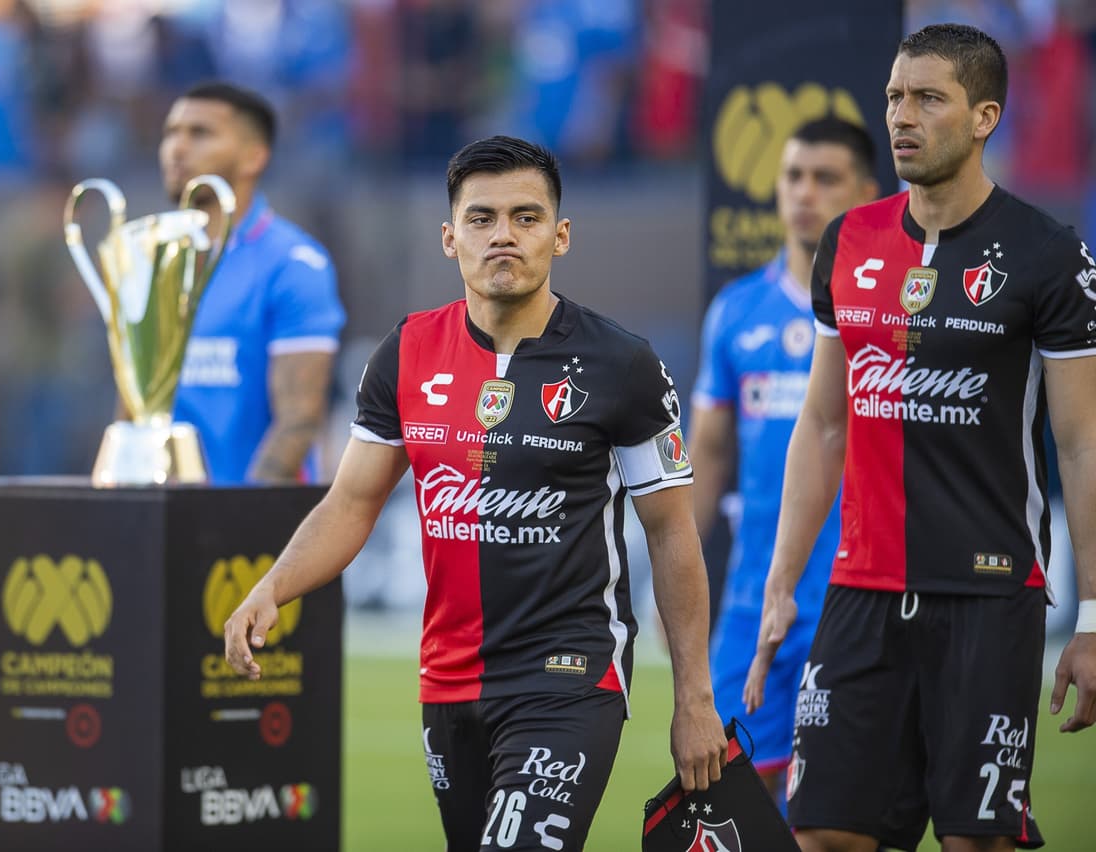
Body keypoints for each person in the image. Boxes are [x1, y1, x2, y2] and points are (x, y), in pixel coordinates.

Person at [224, 135, 728, 850]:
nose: (503, 236)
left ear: (560, 236)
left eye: (526, 218)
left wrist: (693, 699)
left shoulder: (623, 364)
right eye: (482, 217)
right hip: (448, 679)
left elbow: (673, 531)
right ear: (449, 236)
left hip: (569, 677)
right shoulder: (404, 354)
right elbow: (351, 503)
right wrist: (273, 586)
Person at [744, 23, 1096, 852]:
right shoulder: (849, 241)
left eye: (928, 99)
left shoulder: (1048, 255)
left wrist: (1094, 619)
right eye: (897, 96)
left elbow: (1082, 446)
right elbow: (825, 423)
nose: (903, 115)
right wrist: (781, 581)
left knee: (978, 841)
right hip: (860, 593)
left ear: (984, 117)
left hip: (987, 596)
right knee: (823, 832)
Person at [689, 118, 879, 802]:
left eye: (825, 178)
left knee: (840, 818)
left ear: (863, 192)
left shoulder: (889, 308)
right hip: (751, 605)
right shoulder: (736, 311)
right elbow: (707, 454)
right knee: (727, 803)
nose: (804, 193)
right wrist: (675, 581)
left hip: (860, 604)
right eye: (793, 176)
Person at [159, 81, 345, 484]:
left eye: (200, 133)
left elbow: (298, 421)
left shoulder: (293, 265)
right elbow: (137, 412)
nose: (177, 148)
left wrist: (233, 523)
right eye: (171, 133)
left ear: (253, 158)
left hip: (256, 529)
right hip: (162, 521)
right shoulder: (155, 262)